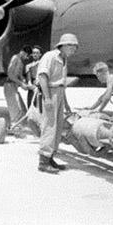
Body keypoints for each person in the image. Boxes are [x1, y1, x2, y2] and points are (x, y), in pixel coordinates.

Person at [37, 33, 78, 173]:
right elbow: (42, 77)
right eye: (73, 47)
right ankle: (43, 161)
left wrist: (66, 104)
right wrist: (47, 99)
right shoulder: (50, 56)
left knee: (58, 126)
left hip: (59, 92)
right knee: (49, 125)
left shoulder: (64, 59)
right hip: (50, 92)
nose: (74, 50)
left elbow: (62, 84)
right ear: (65, 46)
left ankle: (50, 157)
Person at [4, 45, 35, 124]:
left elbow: (20, 75)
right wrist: (21, 83)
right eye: (27, 56)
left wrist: (25, 83)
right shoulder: (15, 58)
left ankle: (19, 126)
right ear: (24, 53)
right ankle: (15, 127)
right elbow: (10, 74)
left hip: (14, 86)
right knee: (15, 109)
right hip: (9, 86)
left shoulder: (21, 62)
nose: (27, 58)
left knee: (22, 109)